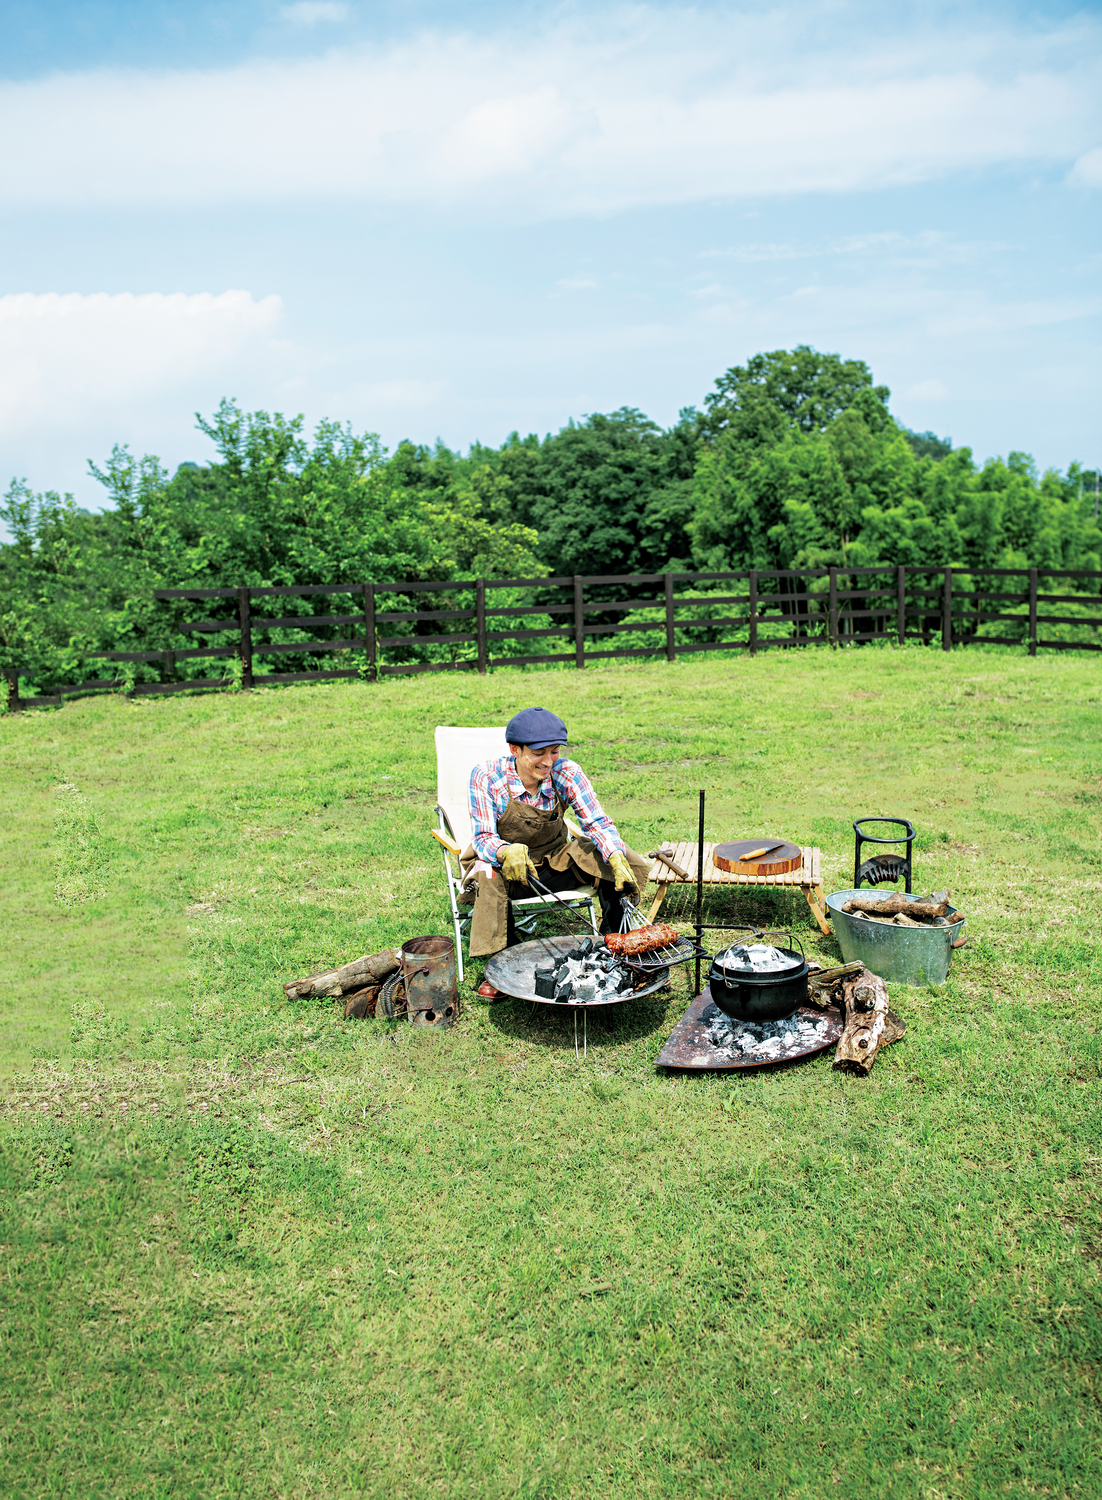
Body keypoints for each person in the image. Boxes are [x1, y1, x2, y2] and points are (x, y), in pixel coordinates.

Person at [460, 706, 651, 993]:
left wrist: (614, 854)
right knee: (489, 877)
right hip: (507, 869)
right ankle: (501, 967)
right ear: (515, 749)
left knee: (607, 855)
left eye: (554, 751)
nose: (548, 761)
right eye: (539, 753)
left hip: (551, 861)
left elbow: (596, 821)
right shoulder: (487, 777)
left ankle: (615, 948)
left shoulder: (567, 773)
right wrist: (504, 851)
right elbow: (483, 837)